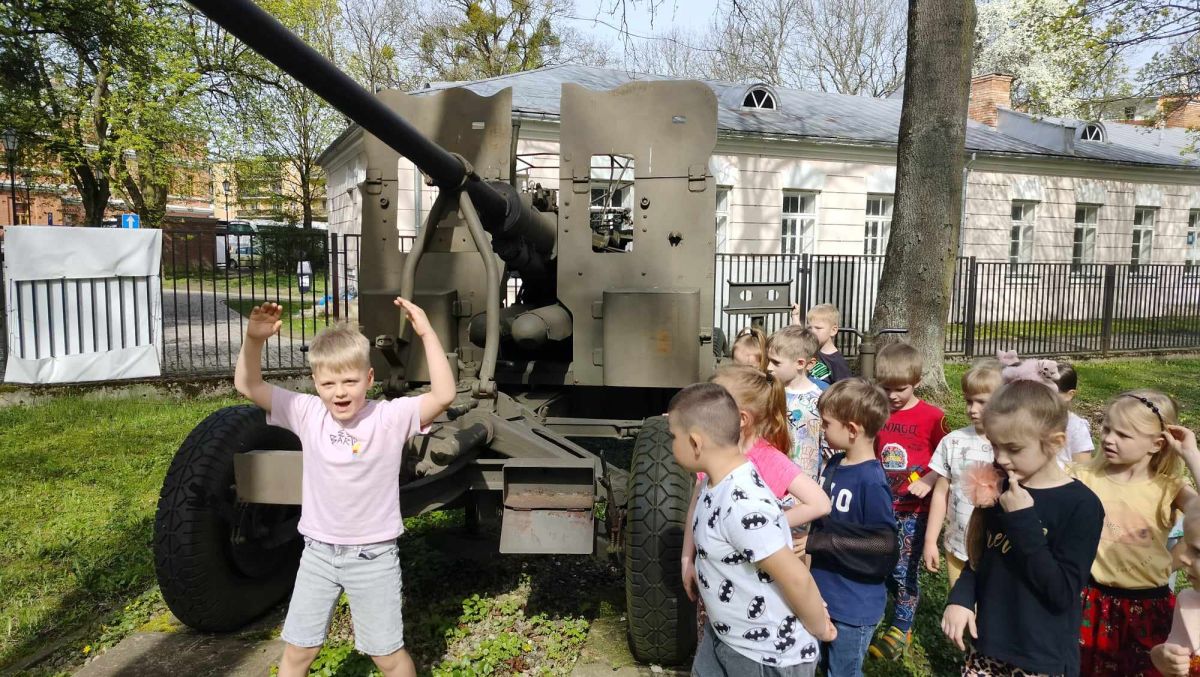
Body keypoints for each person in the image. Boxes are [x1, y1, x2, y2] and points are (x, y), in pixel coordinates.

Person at [234, 299, 455, 677]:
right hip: (318, 555)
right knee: (298, 651)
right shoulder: (307, 412)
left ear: (369, 378)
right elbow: (248, 385)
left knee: (387, 656)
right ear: (315, 382)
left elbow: (443, 395)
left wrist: (426, 333)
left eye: (350, 381)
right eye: (328, 383)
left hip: (373, 556)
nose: (339, 392)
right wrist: (254, 340)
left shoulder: (389, 417)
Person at [670, 383, 836, 676]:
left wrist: (821, 628)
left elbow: (797, 578)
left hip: (766, 656)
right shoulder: (713, 482)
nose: (672, 444)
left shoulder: (742, 504)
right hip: (726, 637)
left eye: (673, 437)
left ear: (695, 443)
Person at [941, 380, 1104, 677]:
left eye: (1013, 448)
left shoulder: (1081, 506)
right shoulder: (1001, 487)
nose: (1001, 458)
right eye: (995, 445)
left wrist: (1023, 520)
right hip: (988, 647)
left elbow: (1061, 592)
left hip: (1039, 658)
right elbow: (980, 558)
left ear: (1055, 442)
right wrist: (961, 599)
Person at [1074, 390, 1200, 676]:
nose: (1108, 438)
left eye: (1123, 434)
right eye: (1106, 428)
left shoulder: (1170, 488)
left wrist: (1192, 455)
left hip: (1147, 608)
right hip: (1089, 602)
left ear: (1156, 444)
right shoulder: (1083, 477)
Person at [808, 378, 896, 676]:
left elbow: (883, 544)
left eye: (827, 423)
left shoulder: (871, 481)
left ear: (852, 429)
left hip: (853, 607)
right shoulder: (834, 465)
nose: (822, 429)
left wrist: (824, 542)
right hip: (823, 596)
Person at [868, 342, 949, 660]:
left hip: (915, 511)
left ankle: (902, 626)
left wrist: (929, 480)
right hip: (880, 506)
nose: (892, 396)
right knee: (878, 563)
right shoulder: (877, 412)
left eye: (900, 389)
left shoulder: (933, 418)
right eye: (885, 388)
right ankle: (875, 612)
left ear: (917, 380)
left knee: (905, 570)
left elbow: (948, 459)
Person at [910, 360, 1004, 590]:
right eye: (969, 401)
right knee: (959, 606)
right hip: (957, 548)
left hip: (999, 553)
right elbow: (941, 493)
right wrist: (930, 541)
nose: (972, 409)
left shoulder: (1011, 446)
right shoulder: (953, 442)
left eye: (982, 402)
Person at [1151, 476, 1200, 677]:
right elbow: (1176, 655)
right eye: (1185, 545)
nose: (1182, 557)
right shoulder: (1187, 602)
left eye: (1197, 551)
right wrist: (1161, 658)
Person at [767, 326, 826, 481]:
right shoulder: (768, 393)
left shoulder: (821, 399)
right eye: (769, 360)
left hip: (807, 483)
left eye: (776, 362)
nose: (768, 367)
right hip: (774, 479)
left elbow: (828, 446)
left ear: (801, 363)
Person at [792, 303, 852, 384]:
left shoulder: (837, 362)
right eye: (810, 327)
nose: (812, 331)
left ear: (833, 330)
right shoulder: (810, 349)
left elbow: (845, 388)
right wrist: (795, 316)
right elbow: (799, 335)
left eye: (818, 328)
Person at [1057, 362, 1095, 465]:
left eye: (1050, 394)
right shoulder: (1033, 420)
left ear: (1069, 395)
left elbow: (1083, 467)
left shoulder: (1076, 427)